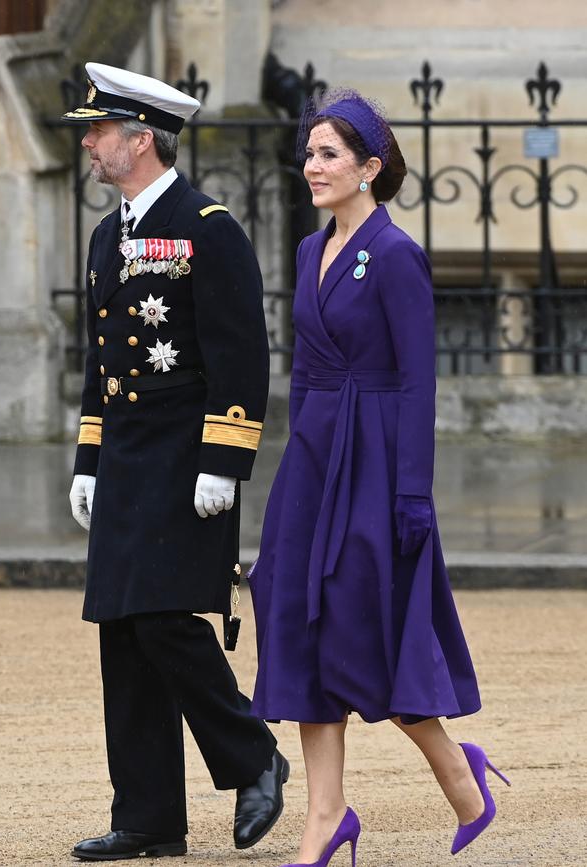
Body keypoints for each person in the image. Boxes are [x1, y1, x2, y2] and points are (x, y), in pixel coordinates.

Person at [248, 89, 510, 867]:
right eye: (309, 153)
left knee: (368, 628)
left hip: (377, 465)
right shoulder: (306, 250)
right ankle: (326, 815)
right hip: (315, 463)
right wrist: (295, 462)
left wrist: (411, 493)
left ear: (370, 167)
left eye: (329, 154)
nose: (313, 166)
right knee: (293, 620)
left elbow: (419, 382)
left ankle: (458, 771)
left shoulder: (397, 255)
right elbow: (300, 372)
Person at [63, 62, 289, 862]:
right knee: (122, 631)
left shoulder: (209, 225)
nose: (88, 142)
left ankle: (254, 752)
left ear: (141, 138)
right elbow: (99, 362)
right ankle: (150, 815)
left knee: (164, 618)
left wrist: (224, 459)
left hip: (185, 458)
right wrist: (87, 456)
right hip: (125, 459)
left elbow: (240, 355)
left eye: (98, 130)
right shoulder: (106, 234)